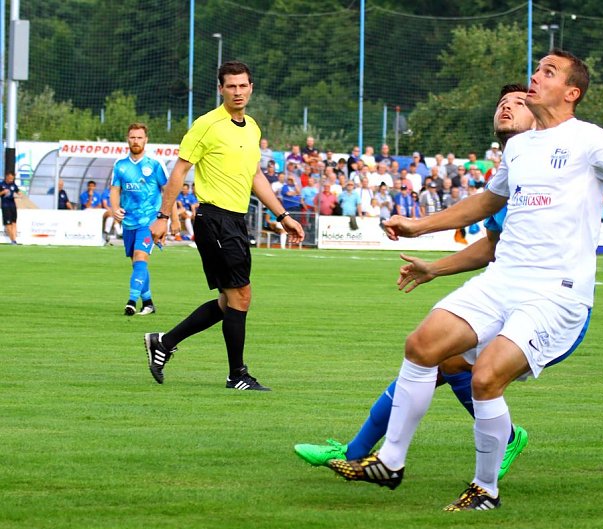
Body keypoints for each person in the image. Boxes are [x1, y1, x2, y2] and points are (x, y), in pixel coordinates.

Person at [326, 50, 603, 510]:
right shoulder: (520, 147)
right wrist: (421, 226)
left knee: (485, 377)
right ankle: (390, 461)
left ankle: (485, 490)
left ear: (571, 92)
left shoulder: (589, 138)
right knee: (421, 346)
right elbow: (488, 202)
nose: (535, 75)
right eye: (536, 68)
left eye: (548, 71)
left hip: (555, 292)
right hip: (503, 279)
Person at [295, 83, 537, 482]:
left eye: (518, 102)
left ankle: (362, 454)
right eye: (502, 103)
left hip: (544, 302)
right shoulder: (505, 177)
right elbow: (490, 248)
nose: (507, 107)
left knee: (440, 362)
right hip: (504, 291)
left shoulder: (557, 166)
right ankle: (360, 453)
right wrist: (434, 268)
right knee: (432, 356)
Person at [144, 60, 304, 391]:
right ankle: (237, 375)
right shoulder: (206, 125)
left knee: (230, 300)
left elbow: (255, 176)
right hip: (213, 219)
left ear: (251, 88)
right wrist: (162, 216)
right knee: (241, 296)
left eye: (243, 85)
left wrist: (283, 216)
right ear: (220, 89)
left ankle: (164, 342)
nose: (237, 91)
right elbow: (179, 170)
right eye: (231, 86)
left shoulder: (253, 127)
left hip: (235, 220)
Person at [109, 123, 168, 315]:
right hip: (129, 222)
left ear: (146, 140)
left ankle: (131, 302)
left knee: (141, 258)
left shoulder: (155, 165)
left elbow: (168, 191)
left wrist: (171, 220)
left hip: (149, 221)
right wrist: (115, 209)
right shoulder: (120, 165)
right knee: (136, 263)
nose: (136, 141)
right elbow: (115, 190)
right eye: (133, 137)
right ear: (128, 139)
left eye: (139, 137)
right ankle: (149, 303)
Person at [0, 172, 20, 244]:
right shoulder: (1, 184)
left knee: (14, 223)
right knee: (8, 224)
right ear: (7, 177)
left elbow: (18, 192)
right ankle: (12, 240)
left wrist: (20, 196)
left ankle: (14, 240)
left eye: (12, 178)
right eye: (10, 178)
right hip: (5, 206)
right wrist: (3, 192)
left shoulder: (13, 185)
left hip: (13, 206)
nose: (11, 180)